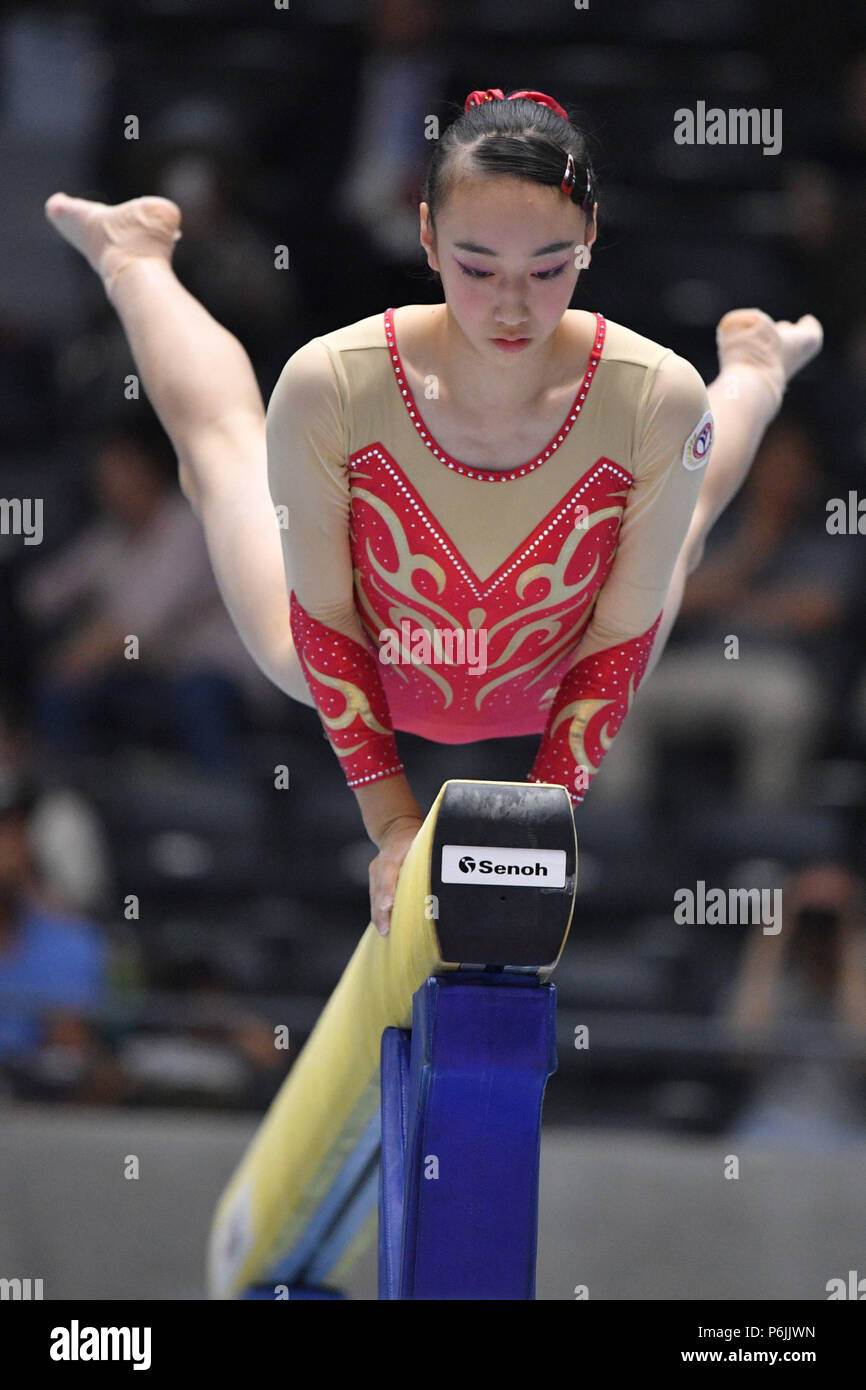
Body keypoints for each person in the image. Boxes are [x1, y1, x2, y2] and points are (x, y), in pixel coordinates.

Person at [43, 87, 823, 936]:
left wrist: (537, 823)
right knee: (223, 459)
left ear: (591, 238)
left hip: (564, 670)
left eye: (549, 267)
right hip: (361, 661)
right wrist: (392, 827)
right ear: (427, 236)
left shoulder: (654, 394)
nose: (513, 306)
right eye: (478, 267)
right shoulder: (333, 381)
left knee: (688, 513)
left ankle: (757, 368)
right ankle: (133, 259)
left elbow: (618, 636)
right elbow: (328, 617)